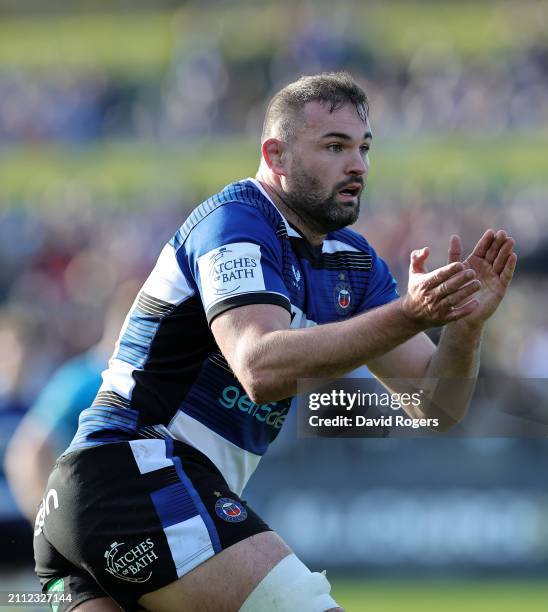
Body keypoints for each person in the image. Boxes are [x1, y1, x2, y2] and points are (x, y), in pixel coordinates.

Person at [33, 72, 516, 612]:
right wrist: (410, 313)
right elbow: (258, 368)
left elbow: (433, 405)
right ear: (276, 154)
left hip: (107, 501)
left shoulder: (353, 263)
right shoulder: (236, 221)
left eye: (364, 148)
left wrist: (463, 327)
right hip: (134, 473)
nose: (357, 165)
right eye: (334, 147)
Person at [5, 281, 139, 523]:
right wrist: (51, 528)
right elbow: (27, 454)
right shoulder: (83, 378)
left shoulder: (137, 378)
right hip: (92, 527)